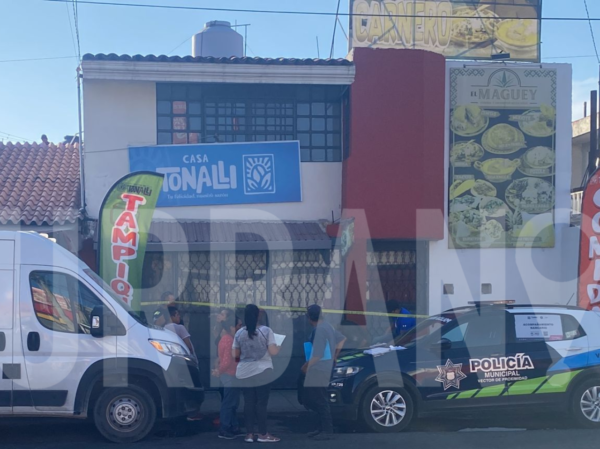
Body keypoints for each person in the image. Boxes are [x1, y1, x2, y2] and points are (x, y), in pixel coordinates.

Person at [232, 304, 281, 443]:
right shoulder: (266, 331)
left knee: (248, 402)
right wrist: (279, 347)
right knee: (261, 403)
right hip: (263, 370)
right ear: (258, 315)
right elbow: (273, 352)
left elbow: (235, 354)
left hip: (244, 371)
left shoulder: (239, 333)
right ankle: (263, 434)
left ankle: (249, 434)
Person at [302, 305, 346, 441]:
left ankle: (327, 430)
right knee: (318, 398)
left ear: (309, 317)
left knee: (320, 400)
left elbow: (318, 354)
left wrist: (306, 366)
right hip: (325, 367)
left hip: (319, 368)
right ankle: (321, 428)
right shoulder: (328, 326)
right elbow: (342, 339)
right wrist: (335, 356)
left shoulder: (320, 330)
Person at [212, 313, 244, 439]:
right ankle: (225, 428)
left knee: (232, 402)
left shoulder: (227, 338)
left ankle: (233, 426)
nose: (241, 328)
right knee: (229, 403)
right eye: (239, 325)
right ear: (232, 327)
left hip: (230, 375)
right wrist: (219, 371)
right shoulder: (229, 340)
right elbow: (226, 361)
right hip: (230, 375)